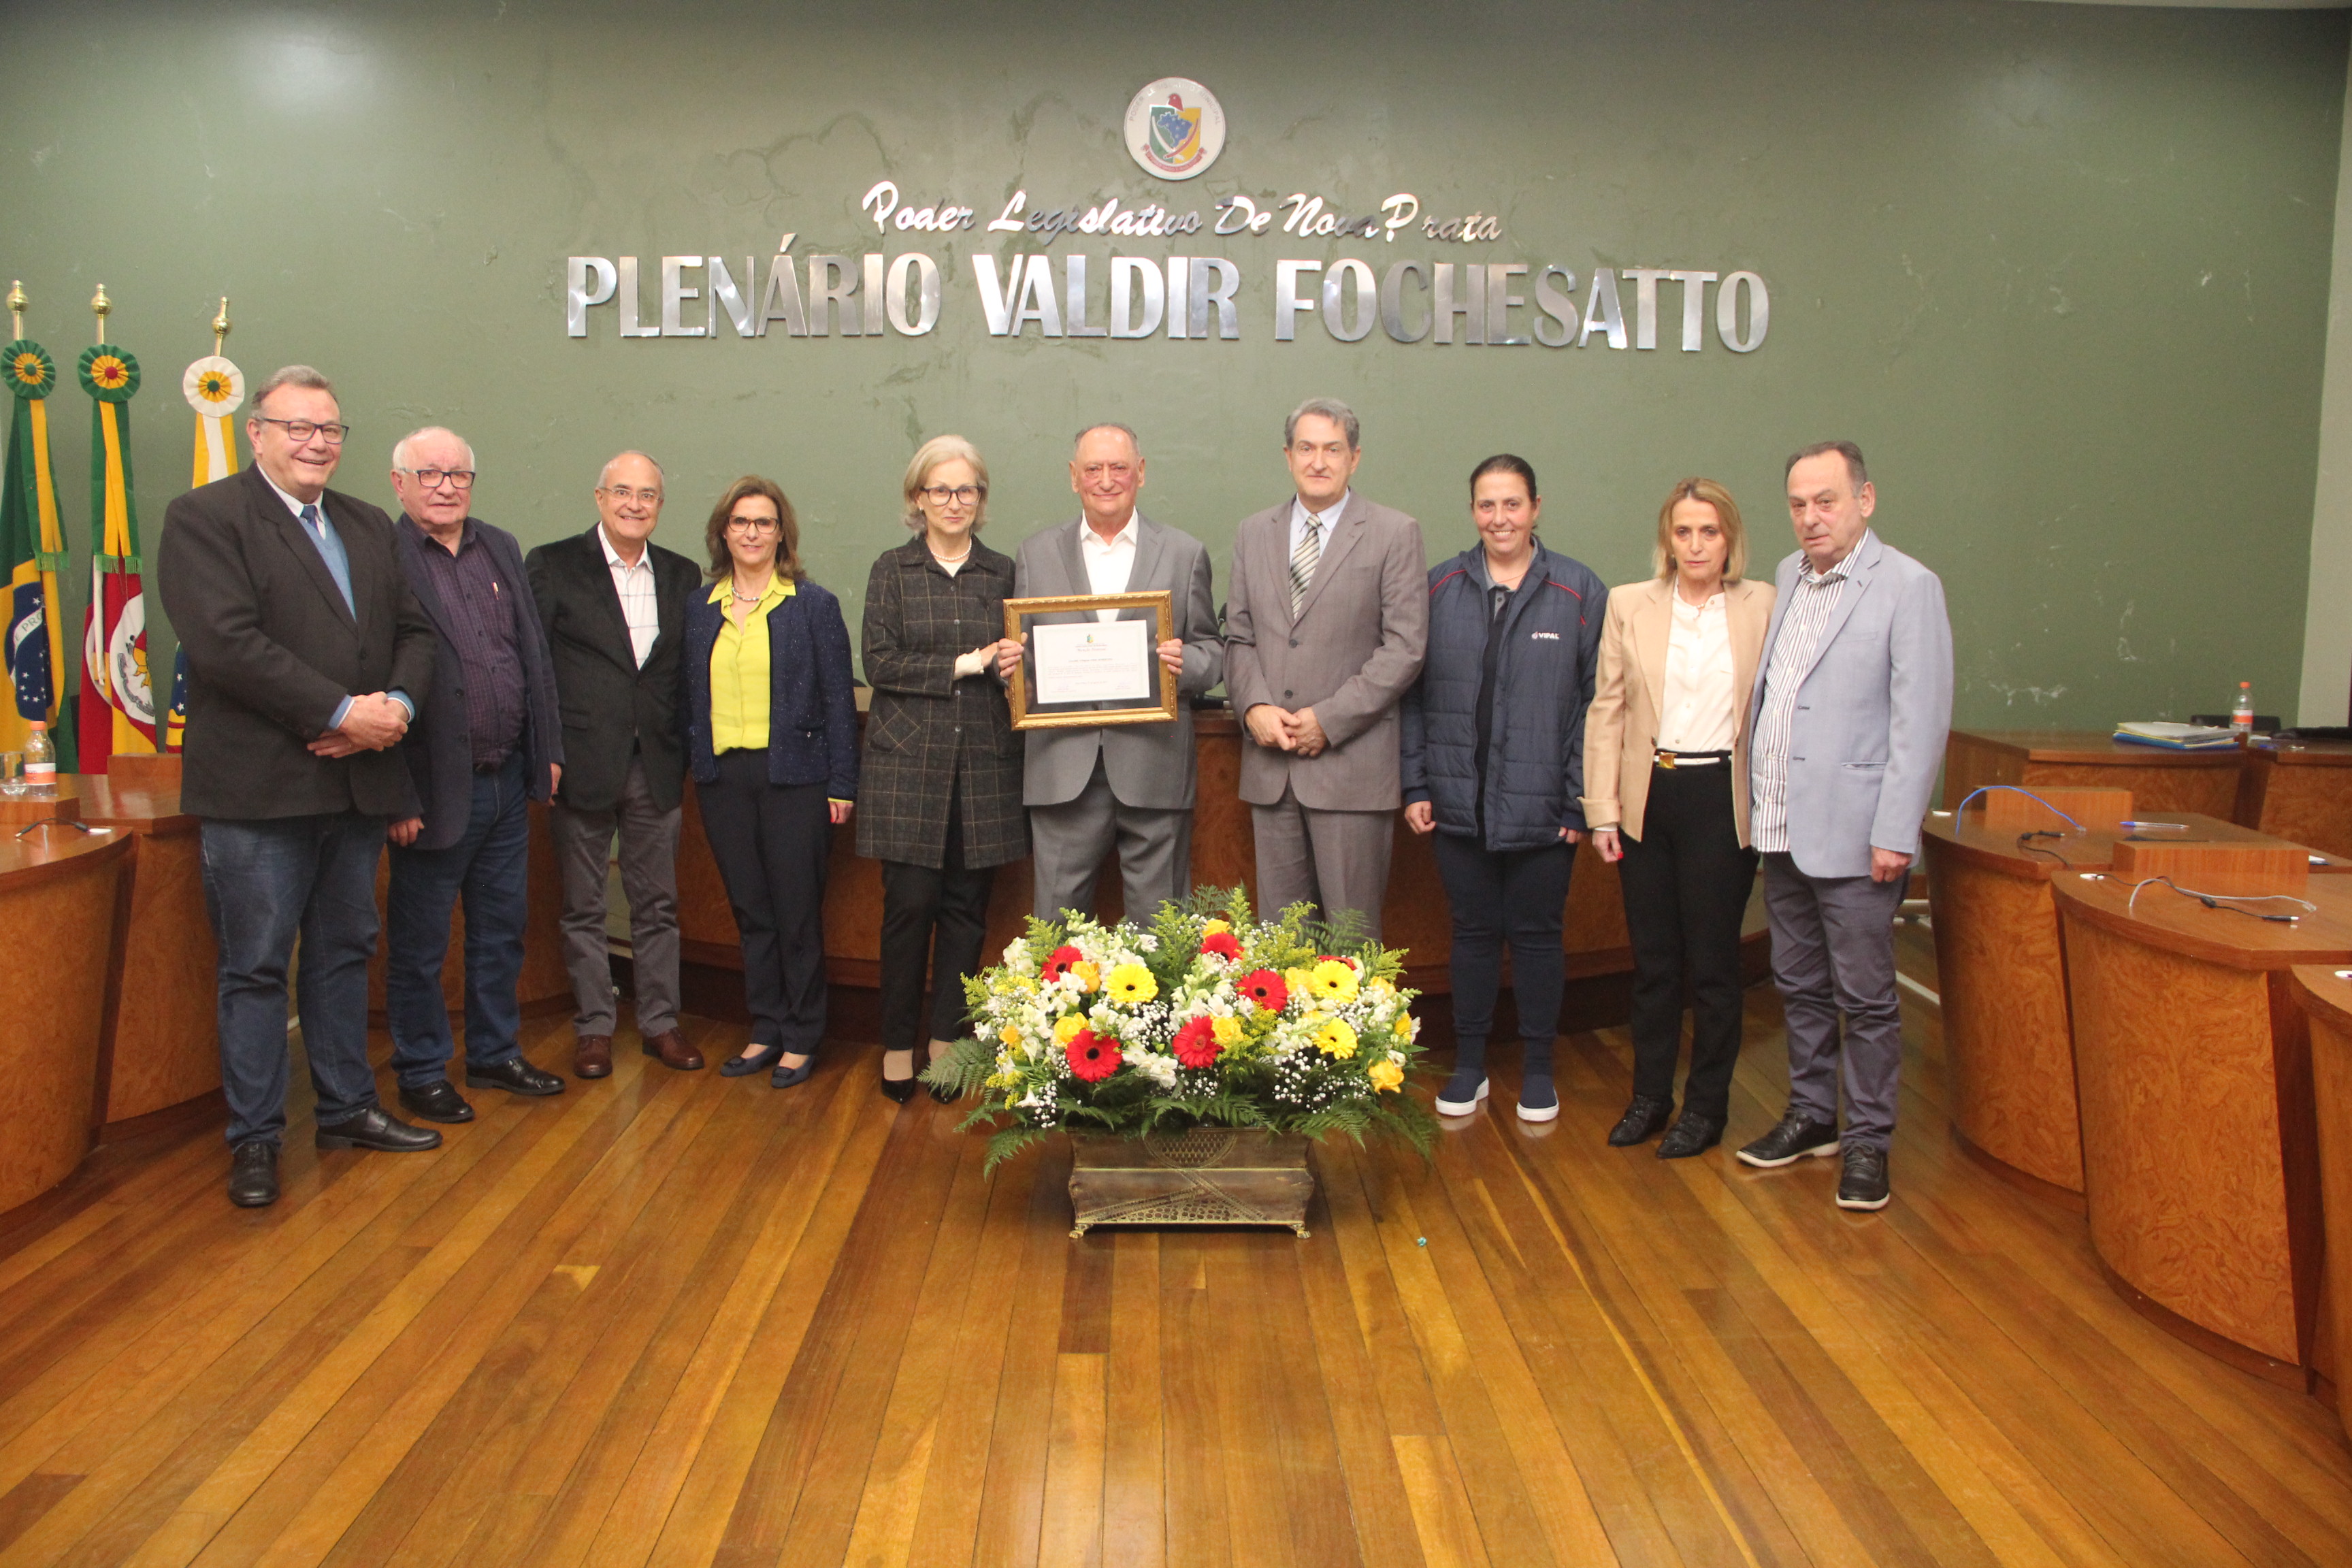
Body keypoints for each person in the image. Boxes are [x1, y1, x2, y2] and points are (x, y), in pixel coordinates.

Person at [156, 365, 440, 1208]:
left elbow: (416, 632)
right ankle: (255, 1139)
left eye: (330, 430)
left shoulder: (365, 522)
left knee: (344, 953)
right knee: (255, 969)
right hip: (260, 794)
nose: (317, 443)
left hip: (356, 786)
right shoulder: (205, 518)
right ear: (257, 432)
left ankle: (347, 1108)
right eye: (298, 428)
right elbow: (225, 645)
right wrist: (340, 710)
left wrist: (395, 707)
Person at [1735, 440, 1952, 1211]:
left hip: (1860, 835)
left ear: (1865, 499)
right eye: (1798, 504)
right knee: (1797, 983)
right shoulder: (1790, 576)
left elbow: (1920, 722)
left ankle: (1868, 1143)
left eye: (1826, 501)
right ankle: (1812, 1116)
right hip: (1783, 825)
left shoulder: (1909, 586)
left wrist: (1896, 830)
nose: (1810, 517)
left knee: (1864, 998)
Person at [1401, 455, 1604, 1123]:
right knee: (1473, 935)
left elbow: (1597, 704)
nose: (1500, 518)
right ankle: (1470, 1064)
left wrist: (1578, 799)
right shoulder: (1440, 588)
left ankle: (1539, 1067)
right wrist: (1416, 783)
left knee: (1539, 937)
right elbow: (1412, 698)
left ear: (1536, 508)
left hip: (1546, 811)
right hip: (1459, 807)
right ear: (1473, 512)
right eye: (1487, 505)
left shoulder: (1578, 590)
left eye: (1512, 504)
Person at [1582, 478, 1776, 1158]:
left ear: (1730, 539)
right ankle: (1650, 1097)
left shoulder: (1763, 605)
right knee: (1655, 964)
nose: (1696, 545)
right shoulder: (1629, 604)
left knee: (1715, 966)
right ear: (1667, 538)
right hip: (1649, 801)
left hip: (1721, 800)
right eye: (1684, 531)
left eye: (1709, 532)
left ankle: (1707, 1108)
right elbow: (1607, 711)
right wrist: (1603, 812)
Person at [383, 427, 568, 1124]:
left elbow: (533, 655)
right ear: (399, 483)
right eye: (429, 475)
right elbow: (372, 673)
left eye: (458, 475)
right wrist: (396, 794)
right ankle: (421, 1070)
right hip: (431, 789)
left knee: (501, 931)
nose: (445, 487)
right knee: (422, 945)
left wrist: (546, 750)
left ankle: (494, 1053)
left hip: (505, 781)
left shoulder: (500, 546)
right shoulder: (383, 556)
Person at [523, 453, 705, 1080]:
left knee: (658, 905)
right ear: (600, 498)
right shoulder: (552, 564)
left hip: (656, 763)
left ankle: (660, 1023)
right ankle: (595, 1028)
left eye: (647, 494)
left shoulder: (682, 574)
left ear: (660, 505)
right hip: (580, 763)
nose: (635, 504)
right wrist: (544, 751)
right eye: (622, 492)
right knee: (584, 907)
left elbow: (685, 671)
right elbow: (534, 667)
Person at [858, 436, 1026, 1102]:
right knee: (908, 909)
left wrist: (1011, 665)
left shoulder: (1004, 573)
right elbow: (879, 663)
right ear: (918, 498)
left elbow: (1021, 663)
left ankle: (945, 1045)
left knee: (965, 911)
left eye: (967, 490)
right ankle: (898, 1045)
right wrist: (967, 663)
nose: (954, 502)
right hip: (907, 770)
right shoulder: (892, 570)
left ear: (981, 499)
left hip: (984, 767)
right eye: (940, 490)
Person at [1000, 423, 1222, 922]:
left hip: (1154, 763)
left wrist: (1188, 664)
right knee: (1055, 931)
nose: (1106, 480)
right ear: (1073, 476)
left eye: (1119, 467)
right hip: (1062, 765)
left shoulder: (1184, 553)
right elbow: (1021, 655)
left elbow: (1213, 650)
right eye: (1093, 468)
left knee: (1159, 931)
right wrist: (1008, 667)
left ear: (1140, 472)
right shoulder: (1035, 553)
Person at [1225, 397, 1426, 941]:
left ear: (1354, 458)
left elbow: (1405, 648)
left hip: (1350, 770)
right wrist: (1254, 706)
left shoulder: (1394, 532)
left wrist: (1329, 720)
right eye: (1307, 448)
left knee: (1351, 944)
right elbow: (1238, 636)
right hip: (1271, 769)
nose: (1318, 462)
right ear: (1288, 456)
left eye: (1332, 450)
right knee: (1280, 945)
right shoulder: (1253, 532)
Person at [680, 477, 858, 1088]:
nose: (752, 533)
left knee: (796, 912)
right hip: (722, 779)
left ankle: (802, 1035)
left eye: (764, 522)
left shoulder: (812, 605)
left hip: (796, 780)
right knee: (751, 910)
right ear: (723, 532)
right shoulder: (700, 608)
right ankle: (766, 1026)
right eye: (741, 522)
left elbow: (839, 700)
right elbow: (687, 695)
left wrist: (842, 783)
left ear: (781, 533)